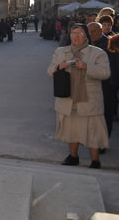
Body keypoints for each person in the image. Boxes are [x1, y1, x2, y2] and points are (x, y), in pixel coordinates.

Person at [47, 24, 110, 169]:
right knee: (71, 129)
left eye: (80, 33)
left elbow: (105, 73)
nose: (76, 36)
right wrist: (59, 67)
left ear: (86, 35)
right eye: (73, 33)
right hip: (68, 98)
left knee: (92, 130)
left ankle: (95, 160)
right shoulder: (61, 51)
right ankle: (73, 156)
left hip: (89, 99)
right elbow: (50, 70)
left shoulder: (97, 53)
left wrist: (86, 67)